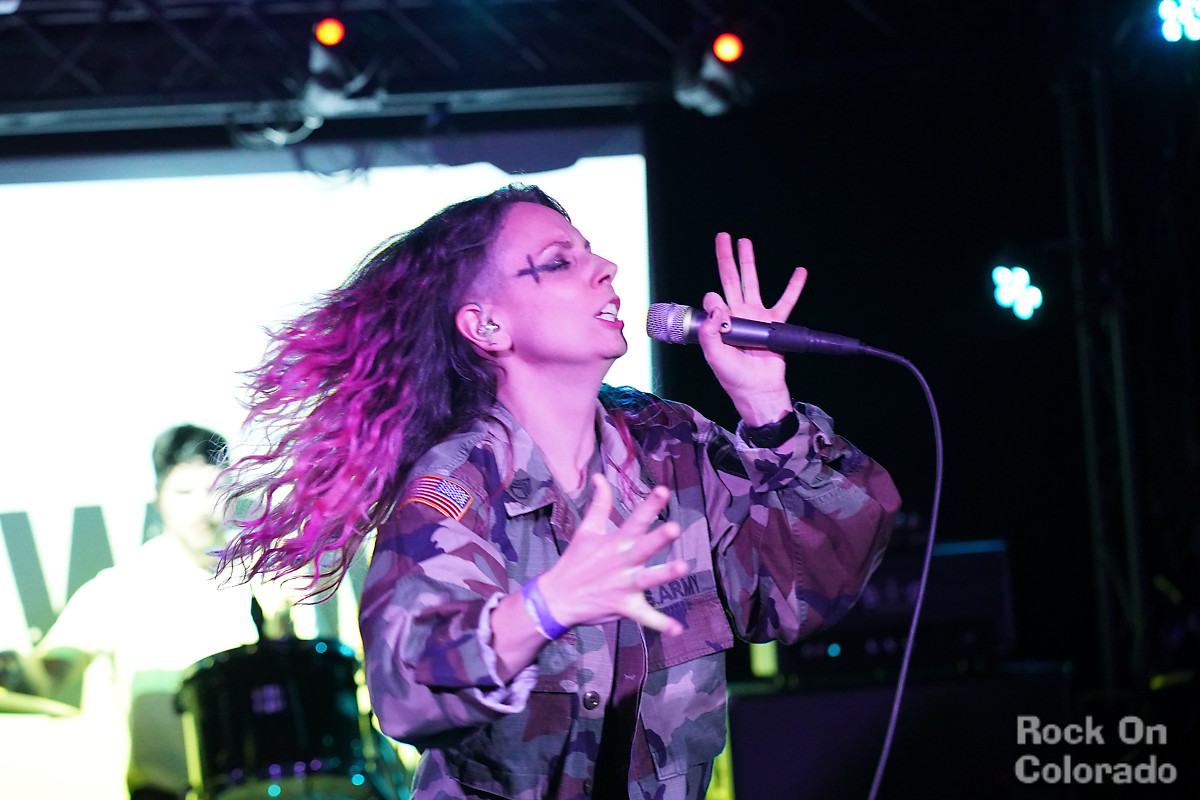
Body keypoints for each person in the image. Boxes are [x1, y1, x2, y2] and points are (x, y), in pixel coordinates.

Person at [219, 184, 901, 800]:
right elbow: (406, 688)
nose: (605, 267)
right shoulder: (457, 483)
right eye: (558, 262)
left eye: (591, 251)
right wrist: (545, 608)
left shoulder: (668, 443)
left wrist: (766, 407)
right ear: (486, 325)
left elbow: (811, 581)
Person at [19, 425, 265, 800]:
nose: (203, 507)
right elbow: (50, 673)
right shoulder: (119, 586)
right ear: (158, 500)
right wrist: (13, 668)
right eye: (184, 493)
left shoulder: (264, 572)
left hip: (259, 785)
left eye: (215, 490)